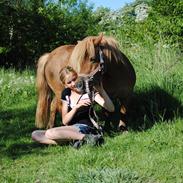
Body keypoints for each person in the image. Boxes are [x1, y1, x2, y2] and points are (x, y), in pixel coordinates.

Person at [32, 66, 114, 148]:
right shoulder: (66, 93)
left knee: (50, 133)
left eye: (74, 79)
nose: (73, 84)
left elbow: (111, 108)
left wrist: (102, 90)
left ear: (77, 76)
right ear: (65, 85)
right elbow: (65, 121)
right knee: (35, 134)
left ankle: (88, 138)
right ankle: (77, 141)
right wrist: (76, 107)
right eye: (69, 82)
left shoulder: (88, 92)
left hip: (85, 127)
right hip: (70, 128)